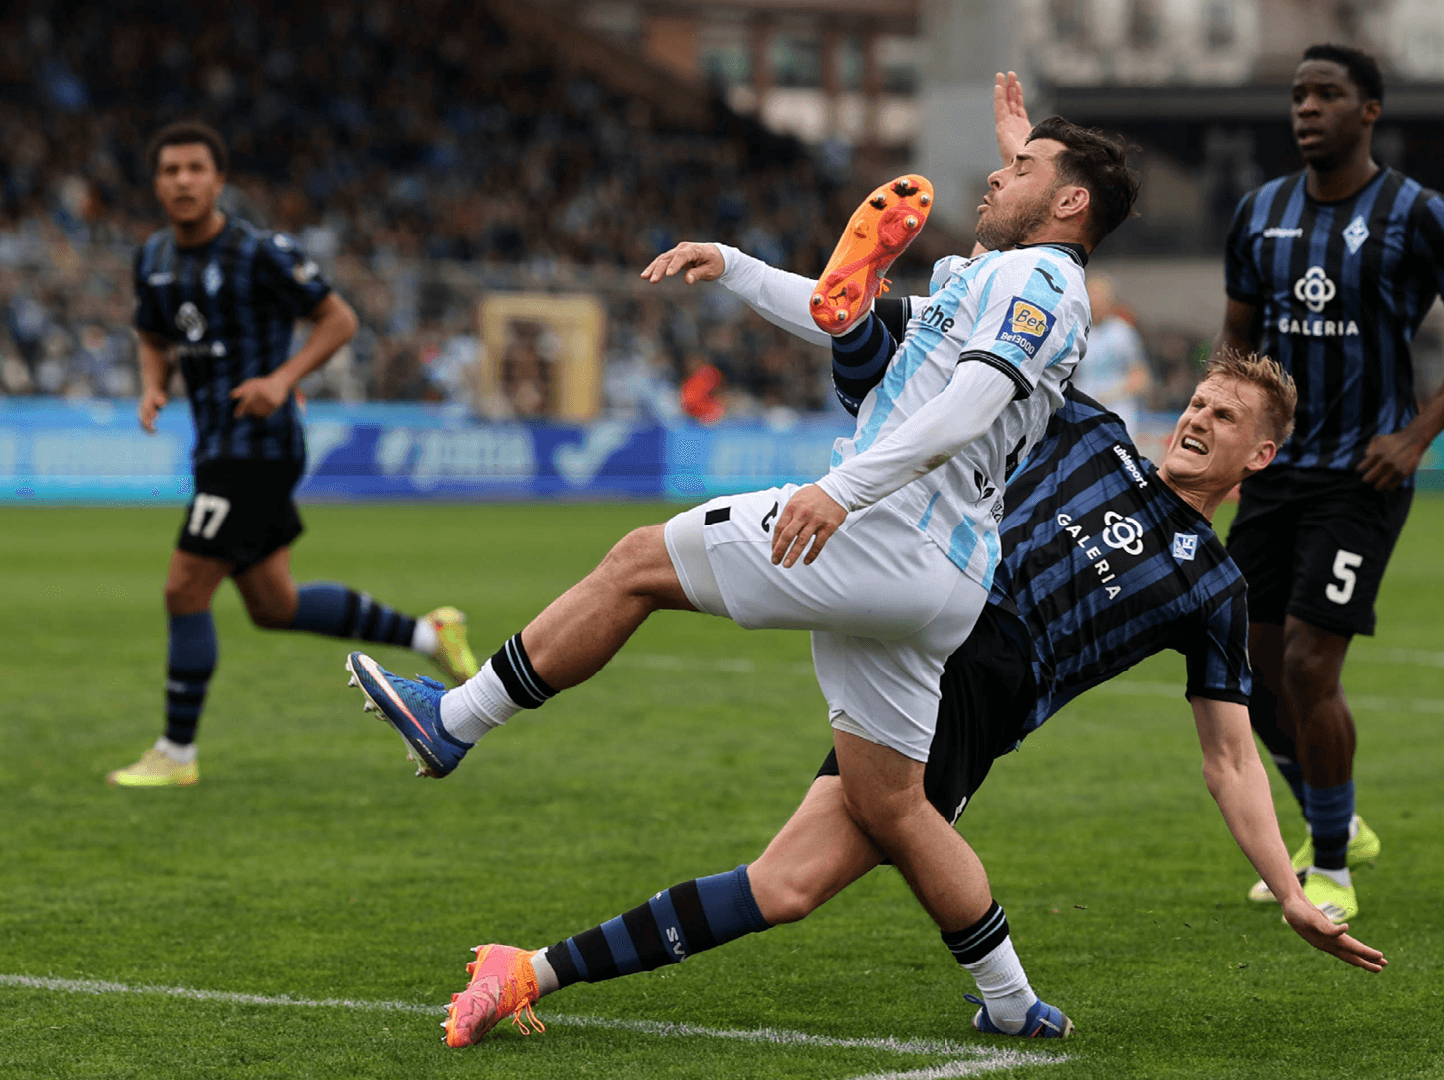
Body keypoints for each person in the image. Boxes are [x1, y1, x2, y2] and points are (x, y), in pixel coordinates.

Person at [345, 111, 1141, 1042]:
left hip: (887, 532)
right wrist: (733, 264)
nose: (996, 179)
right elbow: (843, 311)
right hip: (943, 575)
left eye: (1022, 168)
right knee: (888, 808)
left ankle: (455, 720)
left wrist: (842, 490)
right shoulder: (1001, 283)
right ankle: (1011, 1001)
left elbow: (973, 402)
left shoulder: (1037, 275)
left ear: (1071, 201)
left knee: (639, 562)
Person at [434, 333, 1388, 1044]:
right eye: (1199, 402)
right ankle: (1011, 1001)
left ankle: (531, 971)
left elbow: (1228, 756)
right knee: (650, 571)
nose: (1198, 419)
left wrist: (1290, 888)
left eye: (1226, 418)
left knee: (788, 885)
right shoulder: (1090, 429)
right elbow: (982, 377)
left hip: (975, 700)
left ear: (1258, 457)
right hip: (916, 612)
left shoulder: (1215, 589)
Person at [1212, 45, 1444, 920]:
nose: (1307, 108)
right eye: (1299, 95)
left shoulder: (1418, 213)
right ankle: (1328, 817)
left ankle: (1333, 870)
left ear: (1369, 110)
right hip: (1275, 476)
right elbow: (1234, 345)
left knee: (1310, 662)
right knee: (1248, 669)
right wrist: (1223, 438)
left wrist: (1416, 438)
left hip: (1361, 478)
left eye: (1327, 94)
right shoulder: (1259, 213)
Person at [106, 121, 478, 788]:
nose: (183, 180)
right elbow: (152, 333)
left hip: (260, 448)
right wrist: (154, 384)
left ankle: (176, 754)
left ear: (218, 181)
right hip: (216, 445)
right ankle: (431, 635)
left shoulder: (259, 251)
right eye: (171, 170)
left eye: (196, 168)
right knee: (273, 604)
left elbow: (339, 318)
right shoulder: (154, 257)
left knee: (184, 587)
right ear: (157, 183)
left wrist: (283, 380)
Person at [1073, 274, 1151, 430]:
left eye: (1102, 298)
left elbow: (1141, 377)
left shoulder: (1122, 332)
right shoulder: (1074, 332)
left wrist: (1112, 394)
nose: (1096, 303)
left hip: (1116, 412)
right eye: (1092, 296)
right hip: (1081, 413)